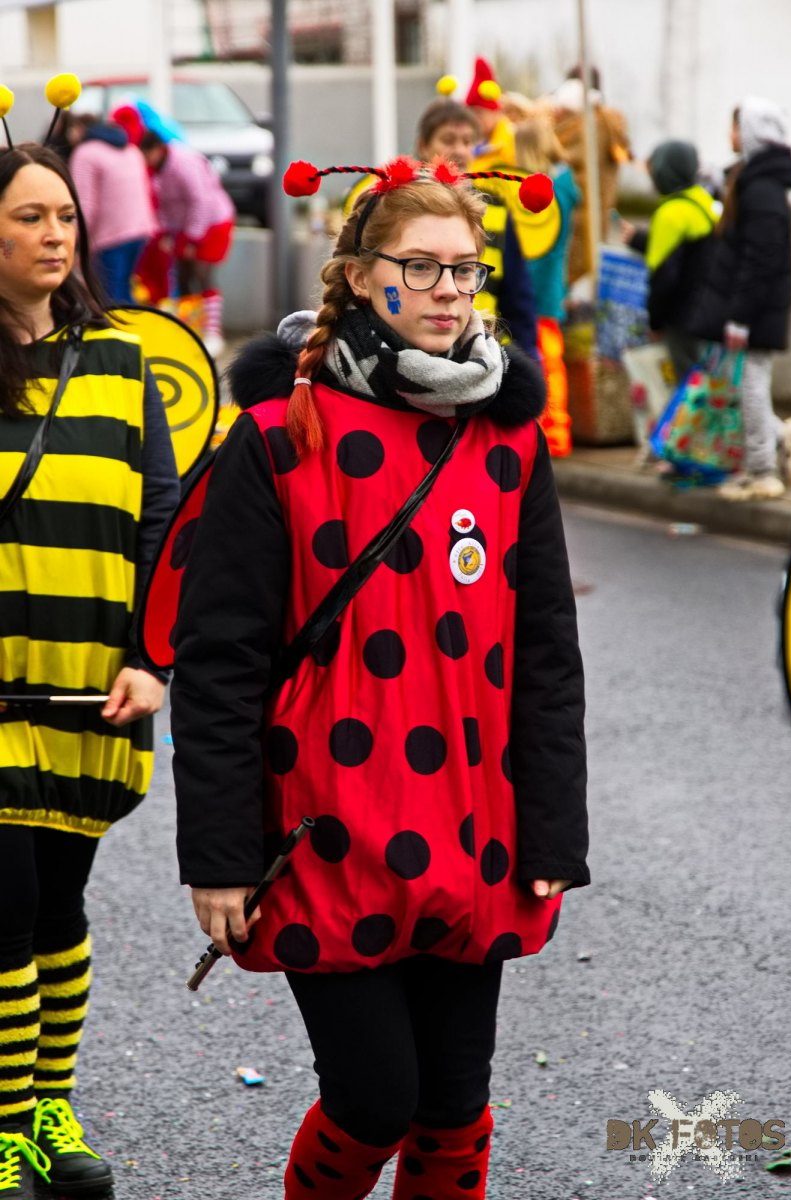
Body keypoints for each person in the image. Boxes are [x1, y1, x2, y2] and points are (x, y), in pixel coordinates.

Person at [169, 159, 589, 1199]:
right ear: (360, 277)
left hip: (474, 822)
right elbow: (221, 662)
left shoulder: (507, 439)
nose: (449, 290)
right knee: (373, 1099)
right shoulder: (278, 436)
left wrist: (553, 832)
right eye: (420, 266)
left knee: (454, 1103)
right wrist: (219, 856)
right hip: (326, 825)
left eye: (466, 269)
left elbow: (544, 650)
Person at [0, 143, 179, 1197]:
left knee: (58, 908)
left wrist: (154, 658)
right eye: (29, 216)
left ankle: (49, 1111)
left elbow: (163, 518)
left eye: (64, 215)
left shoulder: (119, 359)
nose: (55, 234)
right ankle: (5, 1126)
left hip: (92, 685)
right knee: (6, 904)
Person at [687, 97, 791, 500]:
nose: (731, 134)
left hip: (755, 312)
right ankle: (778, 439)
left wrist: (740, 316)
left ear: (752, 133)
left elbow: (759, 261)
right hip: (754, 310)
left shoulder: (762, 190)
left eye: (737, 126)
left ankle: (762, 471)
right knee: (747, 386)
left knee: (751, 386)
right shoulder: (757, 181)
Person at [415, 95, 540, 358]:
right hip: (418, 346)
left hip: (483, 350)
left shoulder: (495, 207)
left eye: (468, 141)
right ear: (424, 145)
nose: (459, 150)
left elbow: (517, 295)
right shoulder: (403, 206)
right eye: (448, 140)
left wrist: (527, 362)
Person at [621, 139, 718, 380]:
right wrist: (639, 239)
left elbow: (664, 277)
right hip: (708, 312)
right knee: (705, 383)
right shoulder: (703, 202)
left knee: (686, 387)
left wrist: (655, 322)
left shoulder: (669, 214)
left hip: (681, 318)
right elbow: (690, 252)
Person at [514, 113, 582, 455]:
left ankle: (552, 433)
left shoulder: (543, 193)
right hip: (550, 286)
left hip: (536, 288)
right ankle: (553, 431)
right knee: (549, 360)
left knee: (545, 360)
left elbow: (535, 248)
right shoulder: (565, 186)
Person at [138, 130, 236, 357]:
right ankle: (190, 328)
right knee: (182, 276)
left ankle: (212, 333)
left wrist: (193, 238)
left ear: (157, 149)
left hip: (212, 223)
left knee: (202, 274)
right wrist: (165, 232)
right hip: (182, 227)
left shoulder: (184, 163)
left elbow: (200, 201)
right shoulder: (156, 169)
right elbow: (163, 204)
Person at [550, 69, 632, 283]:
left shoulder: (582, 127)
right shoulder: (610, 124)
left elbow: (552, 152)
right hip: (598, 217)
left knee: (567, 274)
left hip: (572, 219)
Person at [66, 113, 157, 304]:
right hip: (140, 230)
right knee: (124, 290)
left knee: (110, 298)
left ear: (81, 129)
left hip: (110, 235)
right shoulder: (131, 149)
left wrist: (73, 240)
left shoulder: (85, 154)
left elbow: (85, 205)